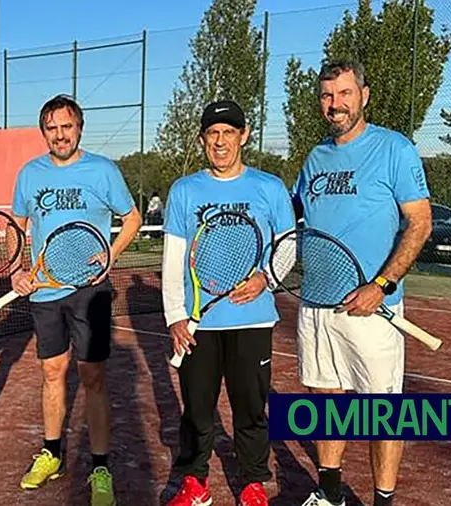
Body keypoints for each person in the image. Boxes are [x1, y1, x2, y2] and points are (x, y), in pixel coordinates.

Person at [291, 60, 432, 506]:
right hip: (315, 305)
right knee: (325, 401)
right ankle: (329, 491)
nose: (336, 105)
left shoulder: (394, 149)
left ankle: (383, 501)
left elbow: (420, 223)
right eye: (328, 96)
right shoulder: (315, 158)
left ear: (363, 96)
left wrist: (383, 284)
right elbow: (296, 225)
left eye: (345, 94)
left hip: (372, 308)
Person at [8, 94, 142, 506]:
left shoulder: (102, 170)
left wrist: (110, 256)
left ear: (79, 128)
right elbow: (18, 224)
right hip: (45, 291)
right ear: (43, 131)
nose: (60, 135)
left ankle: (100, 466)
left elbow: (132, 218)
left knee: (92, 377)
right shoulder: (29, 174)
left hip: (89, 290)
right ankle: (52, 454)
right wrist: (18, 269)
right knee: (52, 372)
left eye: (66, 127)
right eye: (52, 128)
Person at [160, 100, 296, 506]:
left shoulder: (269, 187)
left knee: (250, 409)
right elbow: (173, 258)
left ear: (244, 136)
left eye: (229, 133)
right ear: (203, 140)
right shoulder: (184, 190)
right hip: (199, 325)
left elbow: (288, 246)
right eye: (213, 134)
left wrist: (264, 279)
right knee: (197, 411)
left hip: (252, 321)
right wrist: (175, 317)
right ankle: (194, 483)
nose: (221, 141)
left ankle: (253, 483)